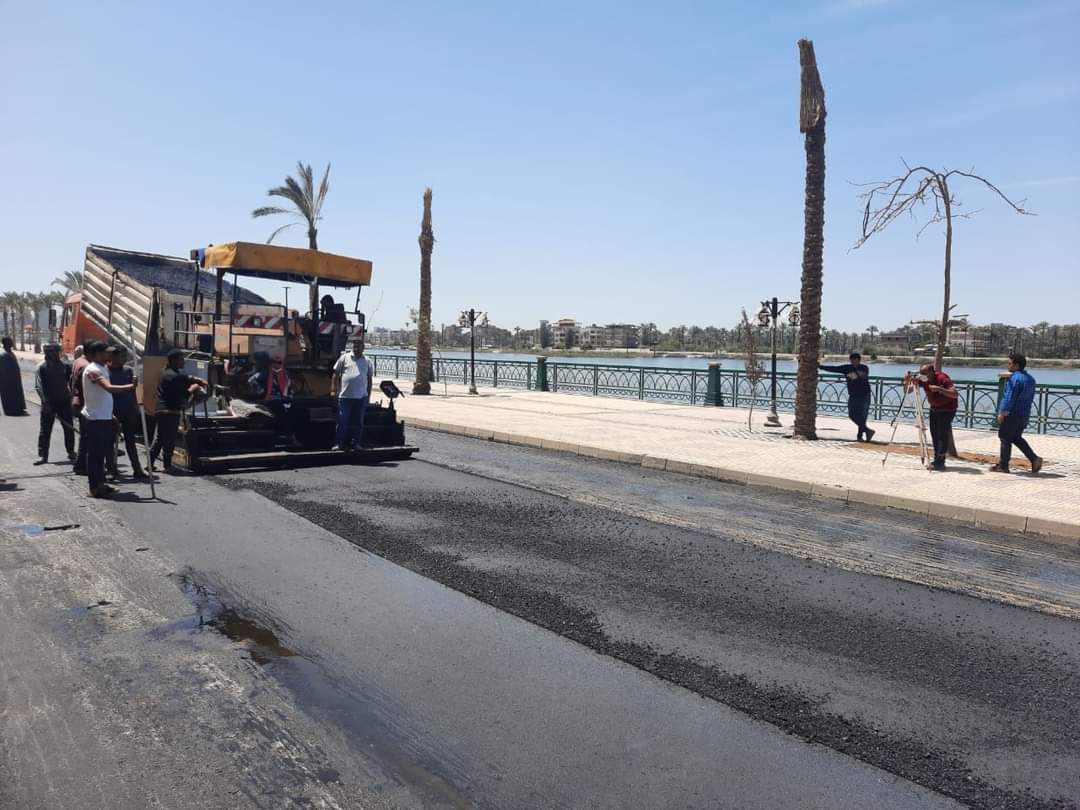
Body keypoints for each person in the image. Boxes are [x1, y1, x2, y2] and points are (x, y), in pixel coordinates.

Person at [82, 343, 135, 498]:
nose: (110, 355)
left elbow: (104, 396)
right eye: (107, 353)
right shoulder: (92, 370)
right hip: (94, 418)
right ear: (98, 354)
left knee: (101, 454)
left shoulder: (103, 368)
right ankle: (94, 488)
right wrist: (131, 386)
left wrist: (110, 414)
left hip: (104, 416)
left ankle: (101, 483)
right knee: (95, 455)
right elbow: (109, 388)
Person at [149, 349, 206, 473]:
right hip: (170, 411)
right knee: (169, 439)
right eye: (181, 359)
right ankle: (167, 466)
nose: (183, 362)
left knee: (160, 438)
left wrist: (195, 379)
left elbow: (185, 377)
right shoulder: (174, 376)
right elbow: (185, 393)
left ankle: (150, 463)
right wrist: (194, 387)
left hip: (160, 409)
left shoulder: (164, 372)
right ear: (174, 361)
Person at [991, 353, 1043, 474]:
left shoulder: (1015, 379)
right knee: (1015, 437)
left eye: (1009, 363)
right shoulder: (1030, 379)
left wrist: (1002, 413)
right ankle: (1034, 459)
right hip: (1024, 414)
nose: (1008, 365)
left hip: (1012, 414)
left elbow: (1009, 398)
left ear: (1016, 365)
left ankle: (1003, 466)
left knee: (1004, 437)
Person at [906, 363, 958, 471]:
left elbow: (955, 394)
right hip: (934, 408)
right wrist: (907, 381)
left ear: (932, 372)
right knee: (934, 433)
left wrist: (940, 389)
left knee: (942, 434)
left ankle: (940, 461)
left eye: (925, 373)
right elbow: (908, 391)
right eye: (921, 373)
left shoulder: (942, 378)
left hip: (947, 409)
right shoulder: (923, 379)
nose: (923, 375)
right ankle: (937, 459)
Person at [107, 346, 147, 479]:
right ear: (113, 357)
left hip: (128, 409)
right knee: (110, 442)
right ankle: (111, 469)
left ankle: (137, 468)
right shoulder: (105, 371)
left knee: (131, 441)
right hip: (112, 410)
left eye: (125, 356)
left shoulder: (128, 370)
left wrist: (136, 406)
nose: (124, 359)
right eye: (121, 356)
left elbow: (133, 390)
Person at [818, 352, 875, 442]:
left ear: (859, 360)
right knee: (852, 415)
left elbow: (862, 376)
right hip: (853, 395)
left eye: (855, 360)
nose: (853, 362)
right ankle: (868, 431)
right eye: (851, 360)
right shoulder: (847, 368)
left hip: (864, 395)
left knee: (862, 416)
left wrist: (853, 375)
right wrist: (820, 367)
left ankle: (860, 436)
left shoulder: (864, 368)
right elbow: (834, 369)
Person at [35, 343, 76, 463]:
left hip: (64, 403)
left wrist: (72, 397)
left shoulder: (65, 366)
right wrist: (46, 403)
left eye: (58, 351)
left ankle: (71, 451)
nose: (58, 354)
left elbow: (71, 383)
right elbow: (40, 387)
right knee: (45, 431)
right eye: (55, 352)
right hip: (49, 404)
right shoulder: (43, 368)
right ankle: (43, 455)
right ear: (48, 353)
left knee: (69, 429)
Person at [331, 332, 372, 450]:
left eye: (359, 345)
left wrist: (368, 396)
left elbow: (369, 379)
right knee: (342, 421)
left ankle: (355, 443)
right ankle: (339, 443)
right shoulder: (344, 358)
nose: (356, 347)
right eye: (355, 345)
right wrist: (333, 389)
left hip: (361, 398)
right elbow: (335, 374)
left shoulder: (367, 361)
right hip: (345, 397)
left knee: (358, 423)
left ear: (363, 348)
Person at [70, 340, 99, 474]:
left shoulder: (78, 361)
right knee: (87, 437)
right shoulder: (87, 366)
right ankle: (81, 465)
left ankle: (80, 464)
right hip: (85, 403)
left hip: (77, 401)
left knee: (84, 436)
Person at [0, 336, 28, 416]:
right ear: (6, 343)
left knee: (17, 394)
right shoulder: (3, 354)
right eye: (10, 341)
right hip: (7, 380)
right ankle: (11, 411)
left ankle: (19, 409)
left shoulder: (10, 352)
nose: (12, 343)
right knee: (9, 395)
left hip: (15, 379)